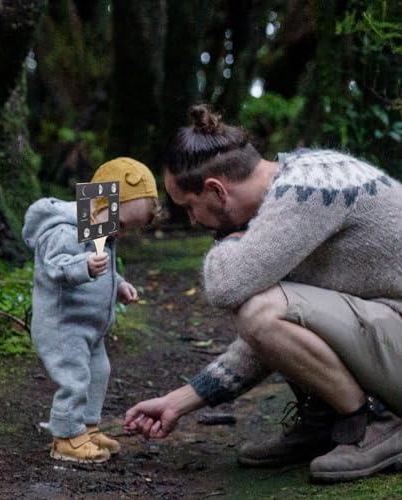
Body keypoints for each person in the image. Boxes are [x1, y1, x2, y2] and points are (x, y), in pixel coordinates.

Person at [124, 104, 402, 482]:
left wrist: (229, 241)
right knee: (268, 308)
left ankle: (374, 421)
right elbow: (276, 336)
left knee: (259, 307)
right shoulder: (294, 187)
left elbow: (227, 287)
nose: (192, 221)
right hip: (385, 330)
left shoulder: (307, 188)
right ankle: (327, 420)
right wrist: (180, 401)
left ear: (216, 190)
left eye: (189, 208)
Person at [23, 157, 158, 463]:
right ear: (100, 202)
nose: (120, 235)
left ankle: (88, 427)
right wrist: (83, 265)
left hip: (90, 327)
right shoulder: (63, 229)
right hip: (63, 324)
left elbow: (102, 266)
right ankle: (66, 437)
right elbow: (55, 265)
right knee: (74, 378)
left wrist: (119, 283)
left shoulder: (101, 228)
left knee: (99, 372)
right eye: (121, 225)